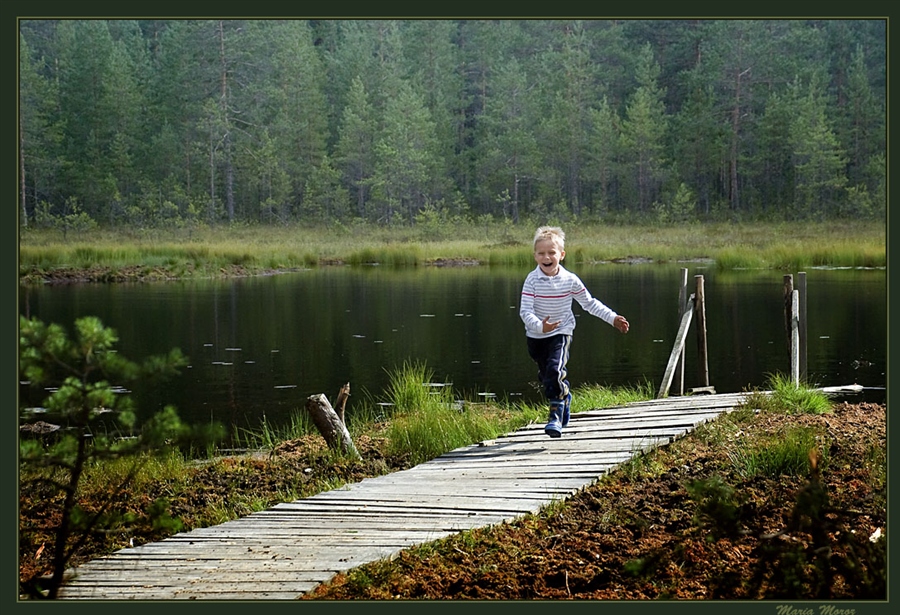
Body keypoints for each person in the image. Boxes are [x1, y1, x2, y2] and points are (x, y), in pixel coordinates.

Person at [519, 226, 630, 438]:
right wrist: (541, 326)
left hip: (561, 332)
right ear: (535, 256)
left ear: (561, 255)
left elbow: (590, 303)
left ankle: (555, 414)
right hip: (536, 336)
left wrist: (613, 318)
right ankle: (565, 395)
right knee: (547, 376)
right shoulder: (531, 280)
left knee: (554, 369)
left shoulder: (570, 280)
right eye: (541, 253)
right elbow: (525, 311)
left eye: (551, 252)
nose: (547, 257)